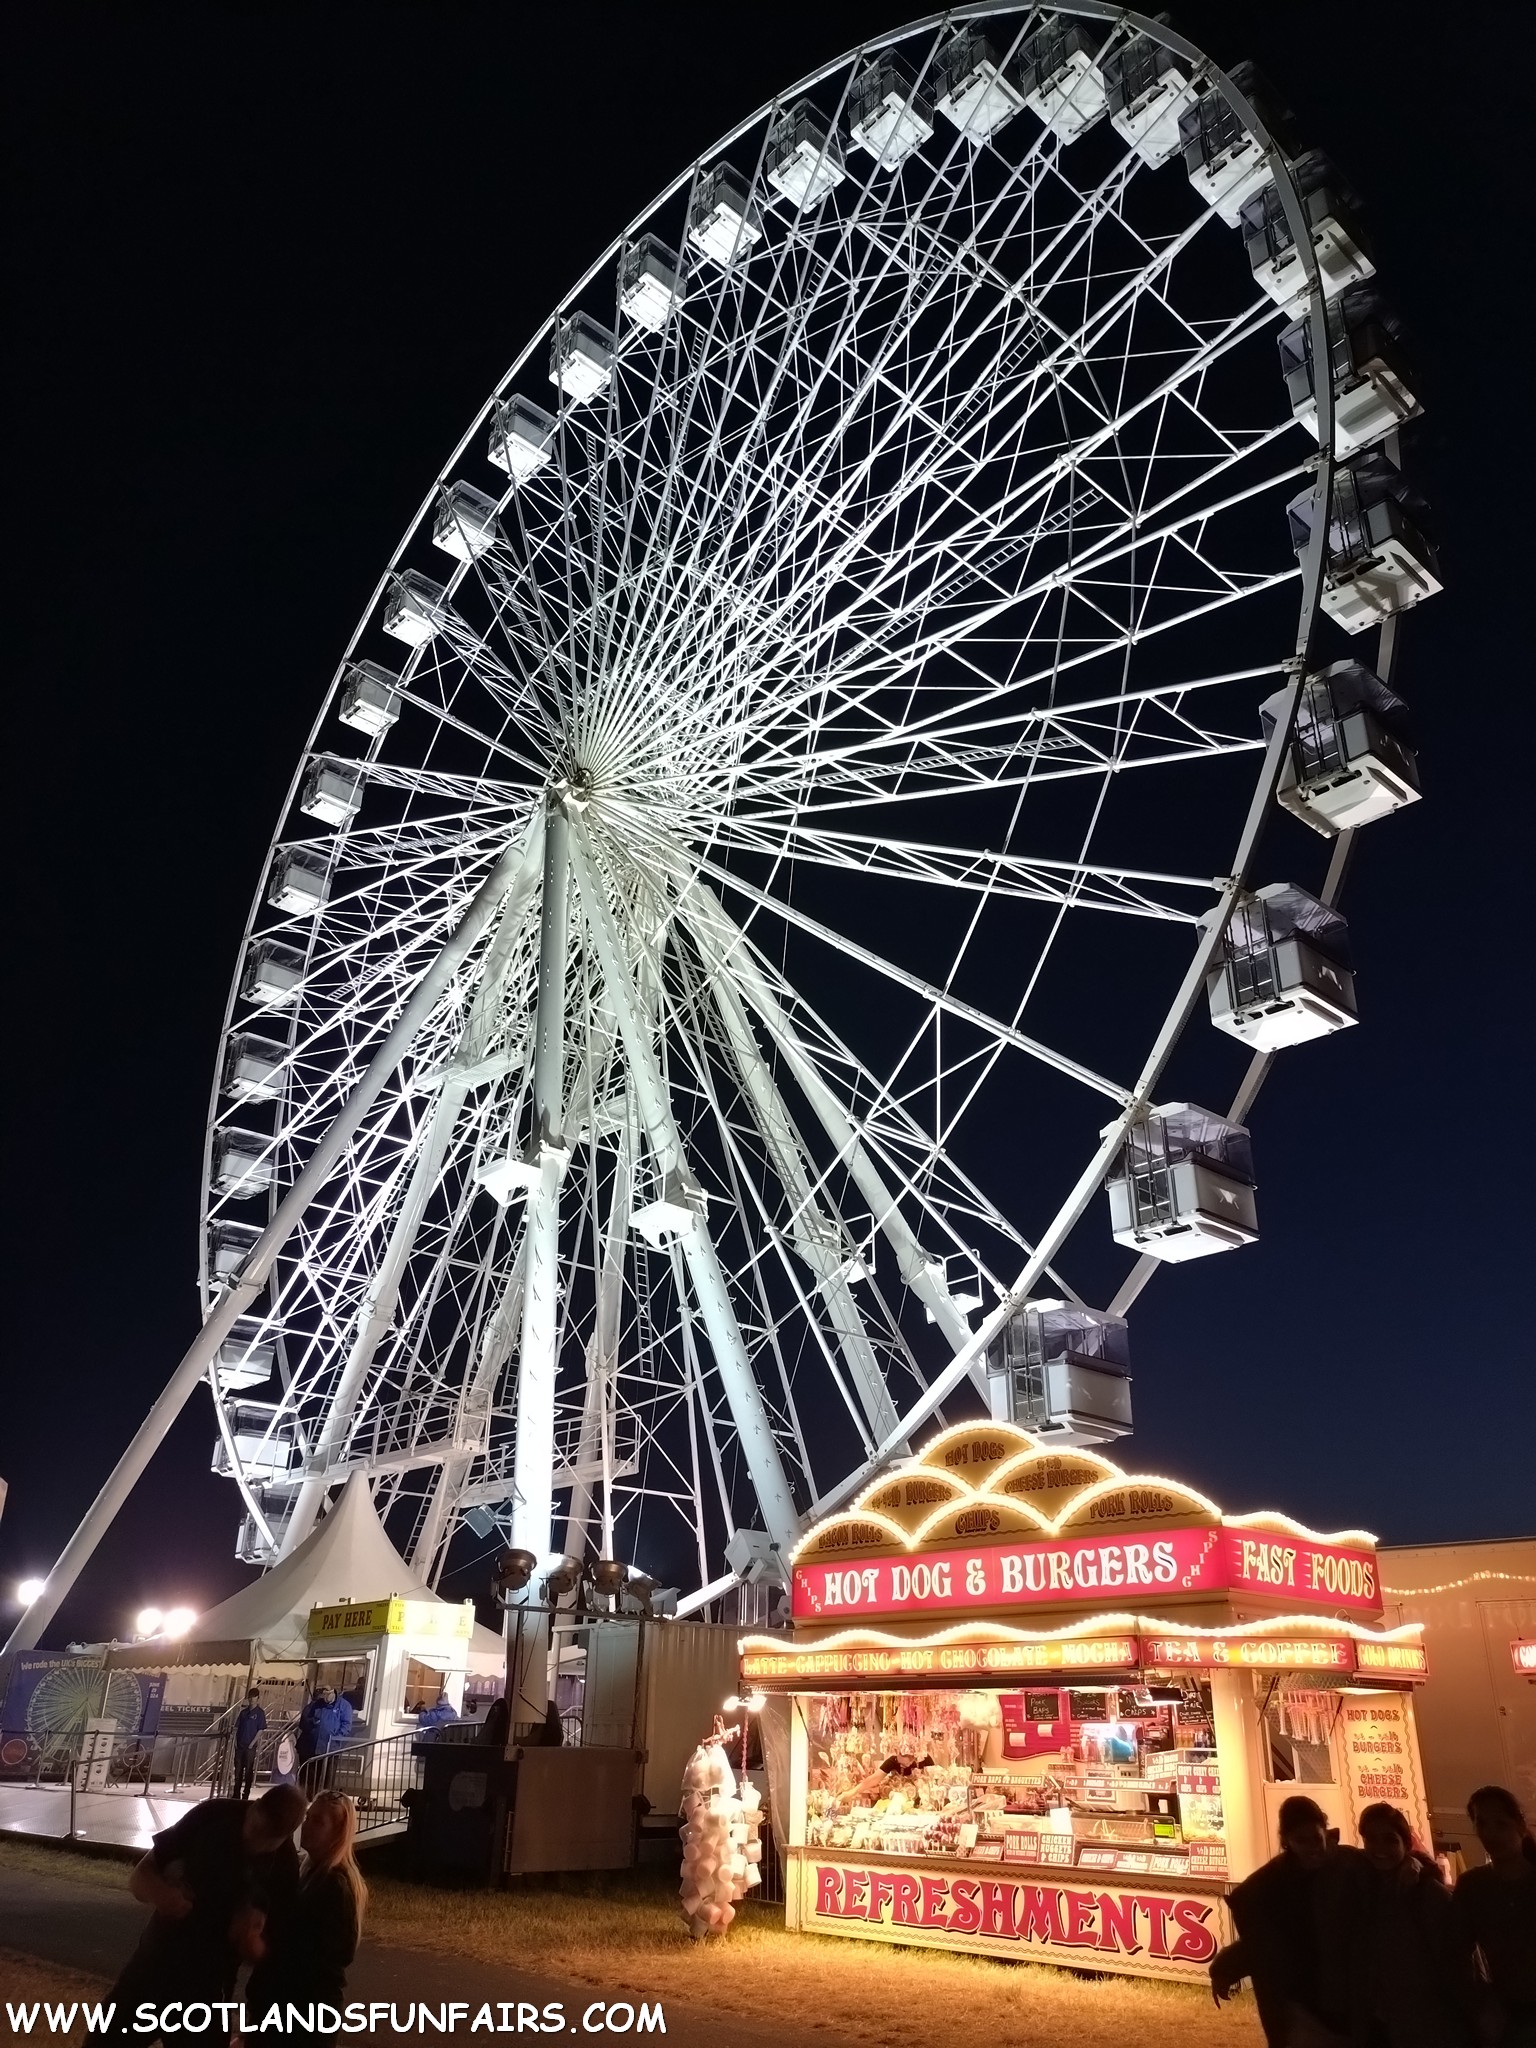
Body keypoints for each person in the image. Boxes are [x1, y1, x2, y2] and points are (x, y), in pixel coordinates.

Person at [108, 1782, 304, 2042]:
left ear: (286, 1837)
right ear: (254, 1805)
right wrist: (163, 1895)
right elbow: (139, 1876)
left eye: (266, 1842)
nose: (253, 1844)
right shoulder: (212, 1815)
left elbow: (270, 1955)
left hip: (207, 1987)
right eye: (253, 1829)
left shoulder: (284, 1867)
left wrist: (250, 1941)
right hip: (152, 1966)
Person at [1210, 1793, 1368, 2047]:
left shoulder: (1350, 1864)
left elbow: (1391, 1872)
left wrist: (1417, 1868)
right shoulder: (1270, 1887)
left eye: (1316, 1838)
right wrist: (1224, 1968)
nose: (1313, 1848)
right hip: (1302, 2006)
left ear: (1325, 1831)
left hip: (1349, 1998)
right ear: (1287, 1841)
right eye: (1301, 1840)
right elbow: (1264, 1942)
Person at [244, 1790, 366, 2048]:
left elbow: (324, 1958)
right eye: (308, 1817)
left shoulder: (336, 1886)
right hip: (284, 2010)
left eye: (319, 1822)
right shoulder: (306, 1872)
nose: (307, 1826)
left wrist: (265, 1949)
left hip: (303, 2017)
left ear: (338, 1832)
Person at [1354, 1800, 1467, 2048]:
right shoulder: (1360, 1891)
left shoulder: (1428, 1894)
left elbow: (1458, 1962)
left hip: (1427, 2025)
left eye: (1390, 1839)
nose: (1379, 1847)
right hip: (1380, 2024)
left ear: (1406, 1844)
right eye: (1372, 1838)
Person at [1452, 1785, 1536, 2047]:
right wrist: (1480, 2003)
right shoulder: (1472, 1886)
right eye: (1482, 1823)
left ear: (1520, 1825)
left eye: (1501, 1823)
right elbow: (1454, 1952)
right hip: (1510, 2013)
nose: (1490, 1833)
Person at [299, 1685, 354, 1792]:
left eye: (328, 1694)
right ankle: (310, 1799)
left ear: (333, 1692)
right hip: (314, 1748)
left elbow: (346, 1725)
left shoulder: (344, 1705)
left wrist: (336, 1737)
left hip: (332, 1749)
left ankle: (326, 1799)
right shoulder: (317, 1705)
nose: (326, 1696)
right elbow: (305, 1722)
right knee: (311, 1778)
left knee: (328, 1779)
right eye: (324, 1694)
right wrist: (312, 1723)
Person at [232, 1687, 266, 1802]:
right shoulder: (244, 1713)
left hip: (250, 1747)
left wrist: (252, 1743)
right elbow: (236, 1728)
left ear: (258, 1698)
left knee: (248, 1772)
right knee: (238, 1771)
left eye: (254, 1696)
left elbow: (261, 1729)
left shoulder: (260, 1713)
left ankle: (245, 1794)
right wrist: (235, 1742)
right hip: (240, 1746)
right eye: (250, 1696)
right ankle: (236, 1794)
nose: (252, 1699)